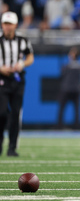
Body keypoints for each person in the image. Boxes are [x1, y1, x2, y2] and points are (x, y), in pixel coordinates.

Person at [0, 11, 34, 156]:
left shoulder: (23, 40)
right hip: (1, 80)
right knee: (1, 113)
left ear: (15, 25)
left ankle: (12, 148)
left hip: (17, 80)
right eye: (5, 24)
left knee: (15, 114)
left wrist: (22, 64)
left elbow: (30, 57)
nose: (7, 27)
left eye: (10, 24)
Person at [57, 47, 80, 129]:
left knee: (65, 109)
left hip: (68, 89)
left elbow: (62, 73)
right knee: (74, 110)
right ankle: (75, 126)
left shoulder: (69, 66)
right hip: (74, 89)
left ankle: (60, 126)